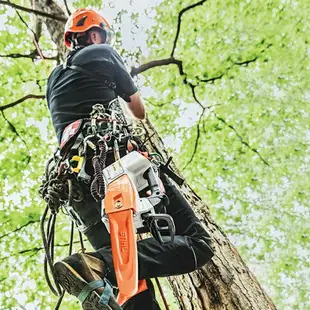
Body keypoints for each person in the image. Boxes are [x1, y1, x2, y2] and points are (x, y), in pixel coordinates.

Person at [46, 8, 214, 310]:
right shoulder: (102, 51)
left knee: (130, 285)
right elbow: (138, 111)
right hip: (113, 161)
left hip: (76, 187)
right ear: (96, 35)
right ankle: (94, 264)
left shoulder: (53, 78)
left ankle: (95, 271)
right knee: (198, 243)